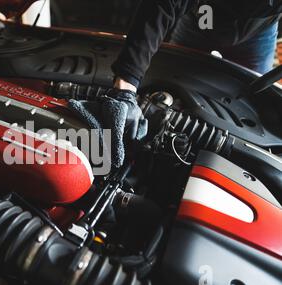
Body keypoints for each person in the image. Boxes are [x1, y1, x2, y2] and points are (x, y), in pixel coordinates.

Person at [69, 0, 281, 169]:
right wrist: (126, 84)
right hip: (204, 19)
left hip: (259, 32)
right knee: (176, 89)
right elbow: (162, 5)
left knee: (250, 111)